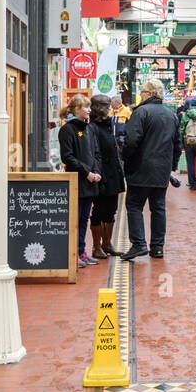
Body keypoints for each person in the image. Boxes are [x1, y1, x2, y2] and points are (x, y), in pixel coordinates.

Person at [121, 78, 181, 261]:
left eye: (143, 92)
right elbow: (178, 144)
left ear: (150, 94)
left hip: (140, 168)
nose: (141, 95)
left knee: (133, 205)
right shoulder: (171, 115)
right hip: (161, 170)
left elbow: (131, 141)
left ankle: (139, 244)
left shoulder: (141, 112)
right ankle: (157, 247)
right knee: (158, 207)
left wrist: (126, 160)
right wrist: (172, 166)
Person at [58, 94, 102, 269]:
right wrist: (87, 173)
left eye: (89, 106)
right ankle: (73, 252)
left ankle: (82, 251)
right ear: (76, 109)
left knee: (84, 218)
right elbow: (67, 157)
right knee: (74, 219)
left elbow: (96, 153)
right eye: (85, 106)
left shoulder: (90, 128)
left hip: (90, 181)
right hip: (77, 181)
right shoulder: (67, 130)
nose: (89, 109)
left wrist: (96, 172)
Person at [89, 94, 125, 257]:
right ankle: (97, 247)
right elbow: (95, 153)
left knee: (111, 209)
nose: (109, 109)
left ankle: (107, 244)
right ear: (98, 108)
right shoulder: (93, 127)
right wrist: (99, 173)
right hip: (101, 173)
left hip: (113, 172)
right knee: (99, 210)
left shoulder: (108, 124)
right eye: (106, 106)